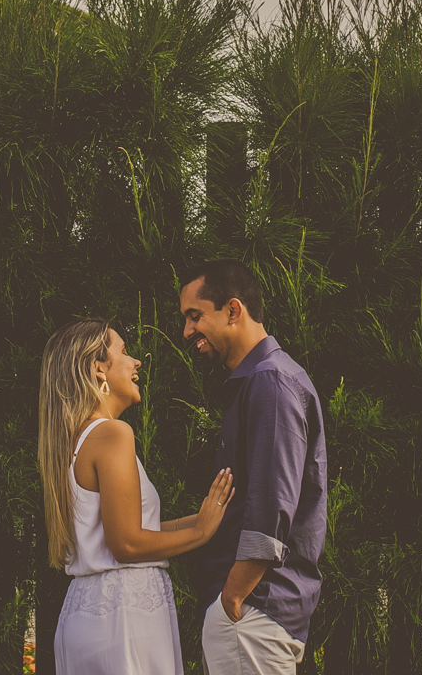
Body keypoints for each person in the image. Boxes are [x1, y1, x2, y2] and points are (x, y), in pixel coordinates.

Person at [38, 317, 235, 674]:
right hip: (124, 617)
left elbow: (137, 528)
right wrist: (200, 534)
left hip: (86, 611)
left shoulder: (72, 441)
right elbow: (126, 544)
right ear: (99, 368)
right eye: (124, 352)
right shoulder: (114, 434)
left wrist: (210, 516)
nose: (136, 362)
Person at [179, 260, 327, 675]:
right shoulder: (267, 380)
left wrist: (233, 597)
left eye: (195, 315)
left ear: (233, 310)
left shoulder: (270, 382)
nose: (187, 331)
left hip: (252, 611)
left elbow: (271, 504)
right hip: (254, 612)